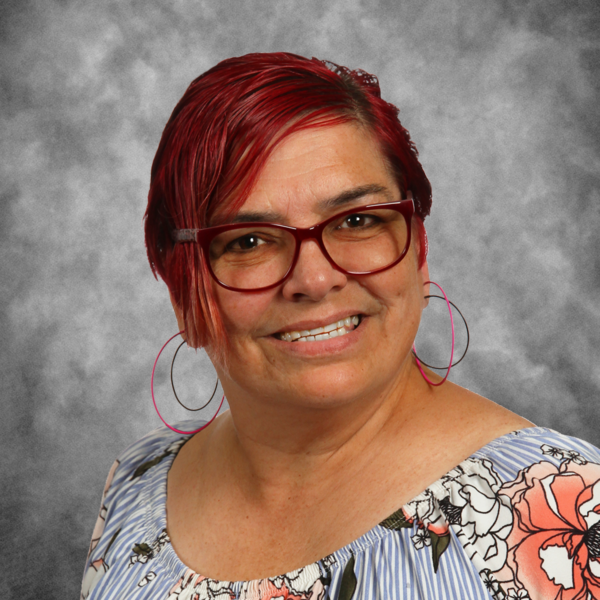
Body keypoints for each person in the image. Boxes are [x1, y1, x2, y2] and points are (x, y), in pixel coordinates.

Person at [81, 53, 600, 600]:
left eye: (357, 221)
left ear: (418, 250)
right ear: (180, 286)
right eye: (250, 240)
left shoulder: (565, 507)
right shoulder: (135, 485)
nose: (315, 278)